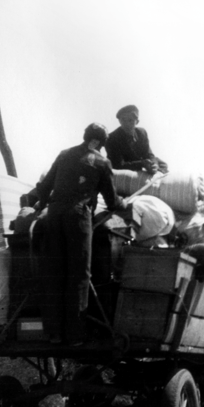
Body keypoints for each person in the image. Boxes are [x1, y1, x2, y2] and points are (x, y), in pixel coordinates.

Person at [35, 123, 128, 345]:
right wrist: (122, 203)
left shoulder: (64, 154)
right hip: (77, 217)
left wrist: (45, 205)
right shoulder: (102, 162)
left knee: (54, 272)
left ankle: (54, 334)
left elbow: (44, 186)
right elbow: (112, 200)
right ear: (98, 142)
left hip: (53, 215)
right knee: (79, 275)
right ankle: (75, 336)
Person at [103, 105, 168, 174]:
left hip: (141, 163)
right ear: (119, 121)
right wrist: (141, 164)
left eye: (130, 120)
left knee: (163, 165)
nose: (127, 124)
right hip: (124, 167)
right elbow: (118, 165)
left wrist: (154, 164)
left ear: (137, 121)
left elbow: (149, 154)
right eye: (123, 120)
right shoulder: (112, 138)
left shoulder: (142, 133)